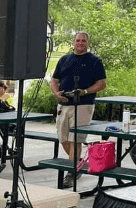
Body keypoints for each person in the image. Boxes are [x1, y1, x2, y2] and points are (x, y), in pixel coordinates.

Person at [51, 32, 107, 188]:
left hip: (83, 105)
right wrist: (56, 93)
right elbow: (54, 80)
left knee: (76, 139)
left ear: (88, 43)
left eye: (83, 41)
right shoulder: (64, 59)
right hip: (64, 105)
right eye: (78, 40)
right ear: (73, 42)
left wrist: (85, 92)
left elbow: (102, 83)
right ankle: (77, 163)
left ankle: (72, 172)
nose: (80, 43)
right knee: (63, 139)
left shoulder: (94, 61)